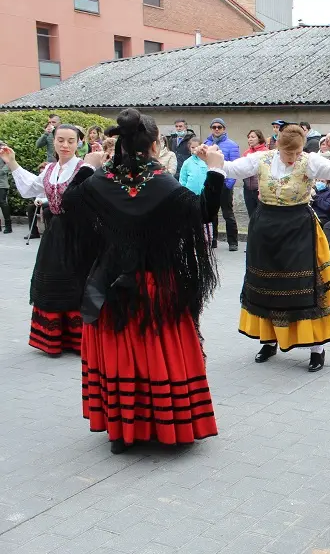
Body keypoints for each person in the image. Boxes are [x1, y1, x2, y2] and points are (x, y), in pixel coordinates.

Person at [56, 108, 224, 454]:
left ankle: (121, 431)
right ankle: (170, 426)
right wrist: (216, 169)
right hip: (156, 284)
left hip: (109, 284)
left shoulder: (101, 180)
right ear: (155, 144)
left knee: (120, 354)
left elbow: (67, 203)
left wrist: (88, 165)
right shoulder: (162, 182)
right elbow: (203, 211)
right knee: (158, 351)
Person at [221, 125, 330, 371]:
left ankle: (317, 348)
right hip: (266, 229)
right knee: (267, 285)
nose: (291, 158)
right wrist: (214, 159)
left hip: (299, 229)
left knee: (307, 286)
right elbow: (231, 168)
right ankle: (269, 341)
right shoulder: (261, 159)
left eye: (296, 153)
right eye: (286, 153)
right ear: (277, 145)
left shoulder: (310, 161)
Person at [2, 125, 87, 356]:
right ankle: (53, 339)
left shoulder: (85, 168)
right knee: (51, 280)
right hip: (55, 232)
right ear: (54, 141)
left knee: (76, 280)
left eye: (71, 141)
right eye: (60, 140)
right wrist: (12, 162)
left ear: (79, 143)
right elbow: (31, 188)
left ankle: (80, 340)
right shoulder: (50, 169)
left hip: (80, 233)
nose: (65, 145)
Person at [204, 119, 240, 251]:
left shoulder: (232, 145)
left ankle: (233, 242)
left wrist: (229, 185)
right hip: (212, 183)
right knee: (211, 213)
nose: (216, 129)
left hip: (225, 184)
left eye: (219, 127)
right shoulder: (206, 144)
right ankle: (213, 239)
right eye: (214, 127)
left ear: (224, 128)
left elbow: (235, 165)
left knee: (228, 214)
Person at [242, 130, 268, 220]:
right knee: (251, 216)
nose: (250, 139)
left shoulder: (266, 152)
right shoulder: (246, 153)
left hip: (261, 190)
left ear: (259, 138)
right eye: (249, 137)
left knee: (262, 216)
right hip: (248, 189)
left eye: (253, 137)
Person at [0, 152, 11, 234]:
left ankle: (8, 226)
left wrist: (1, 172)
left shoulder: (2, 149)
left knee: (2, 202)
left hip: (2, 184)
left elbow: (9, 163)